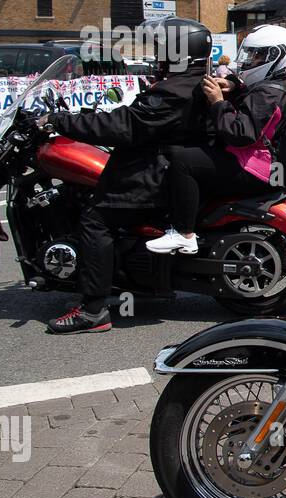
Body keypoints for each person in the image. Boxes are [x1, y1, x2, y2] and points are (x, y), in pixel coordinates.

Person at [43, 17, 212, 334]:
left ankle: (93, 310)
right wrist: (83, 116)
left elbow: (125, 127)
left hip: (151, 177)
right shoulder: (189, 83)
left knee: (96, 219)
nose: (158, 54)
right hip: (157, 168)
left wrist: (60, 122)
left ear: (181, 52)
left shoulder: (174, 91)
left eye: (163, 48)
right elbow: (132, 119)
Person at [144, 24, 286, 254]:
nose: (252, 61)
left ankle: (183, 233)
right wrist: (235, 85)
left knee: (183, 161)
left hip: (252, 166)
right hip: (262, 163)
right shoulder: (278, 85)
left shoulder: (267, 93)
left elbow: (240, 133)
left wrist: (218, 102)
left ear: (279, 57)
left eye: (258, 56)